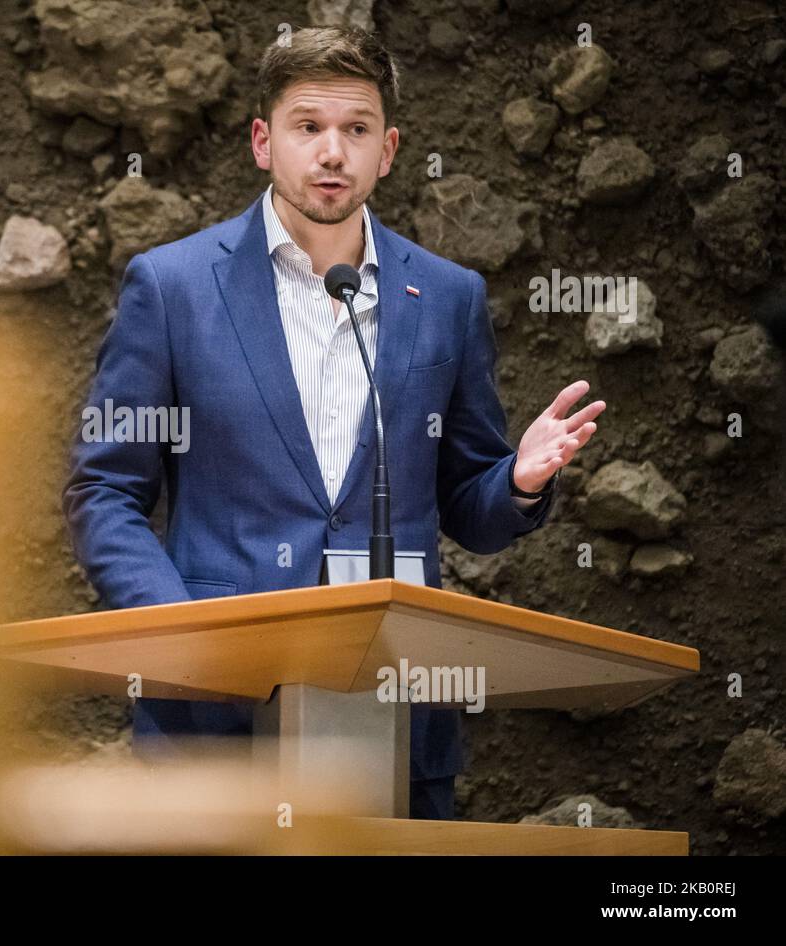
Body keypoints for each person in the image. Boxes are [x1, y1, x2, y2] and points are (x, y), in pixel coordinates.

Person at [63, 25, 606, 820]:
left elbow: (469, 509)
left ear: (388, 151)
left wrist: (517, 483)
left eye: (355, 130)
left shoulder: (449, 296)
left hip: (392, 717)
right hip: (212, 723)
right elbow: (105, 488)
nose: (331, 153)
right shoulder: (173, 287)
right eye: (307, 127)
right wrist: (183, 639)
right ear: (263, 141)